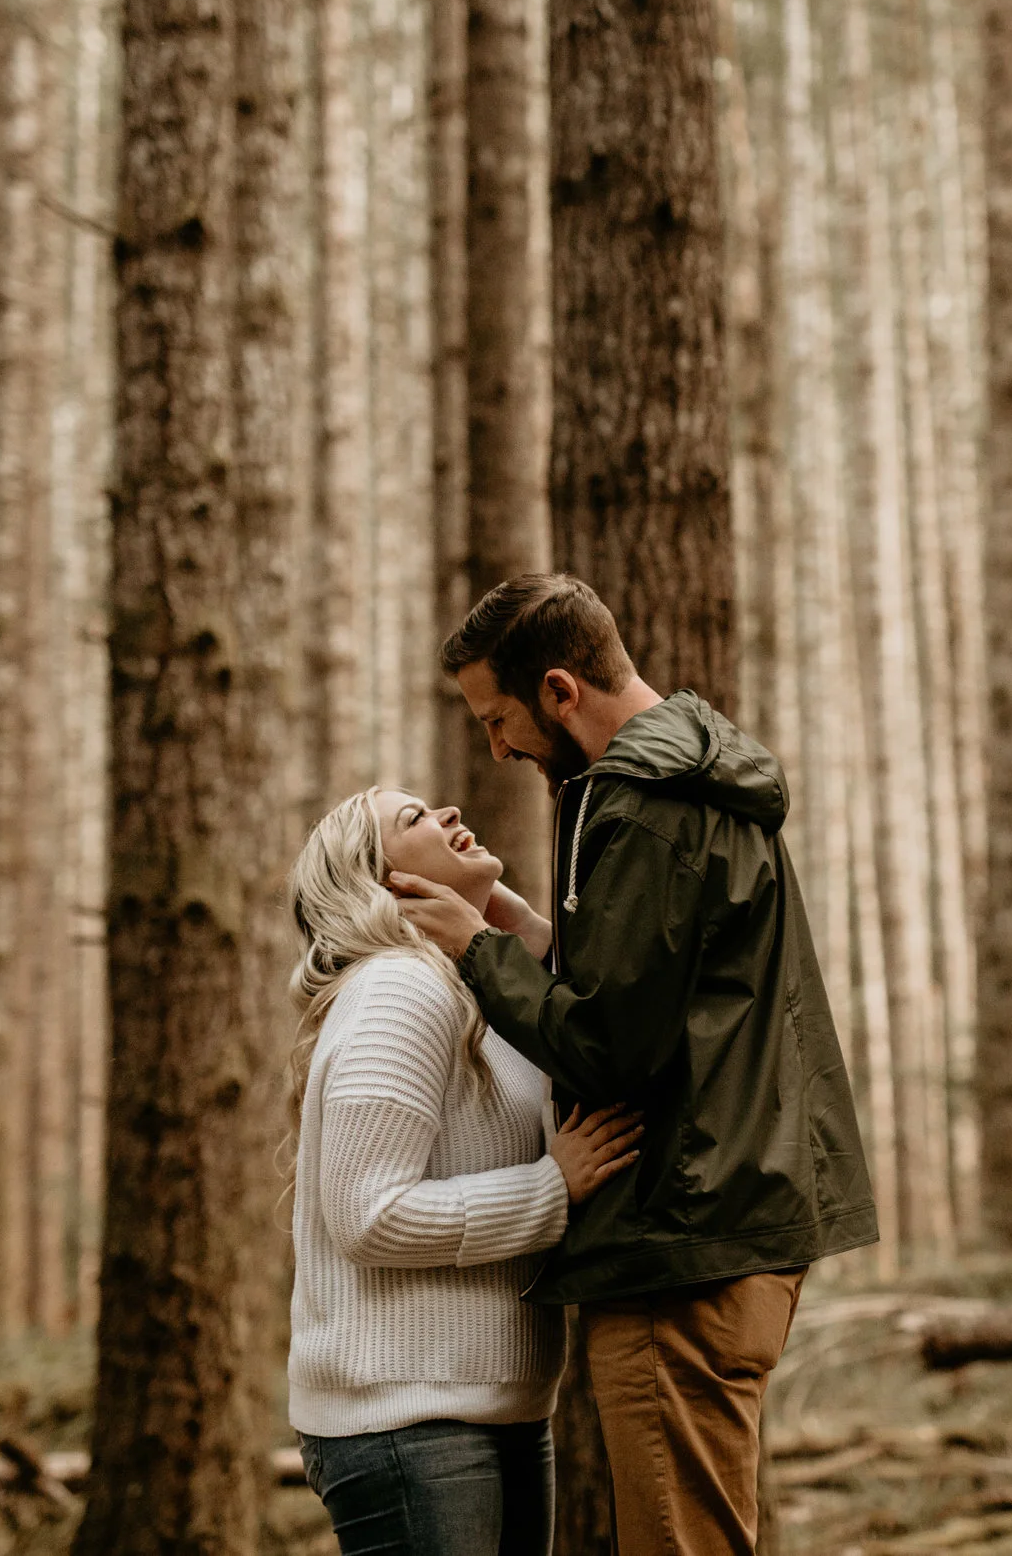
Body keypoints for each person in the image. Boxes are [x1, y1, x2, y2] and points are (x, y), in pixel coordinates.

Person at [393, 573, 879, 1555]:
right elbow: (665, 995)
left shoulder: (645, 805)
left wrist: (474, 953)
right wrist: (529, 934)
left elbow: (612, 1048)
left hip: (682, 1238)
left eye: (500, 718)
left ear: (562, 691)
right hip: (720, 1220)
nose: (495, 747)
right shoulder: (689, 783)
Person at [287, 783, 645, 1556]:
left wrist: (517, 929)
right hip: (407, 1423)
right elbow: (367, 1212)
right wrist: (553, 1187)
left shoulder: (470, 986)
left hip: (497, 1410)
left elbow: (595, 1029)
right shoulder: (399, 990)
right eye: (414, 818)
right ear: (385, 880)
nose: (448, 812)